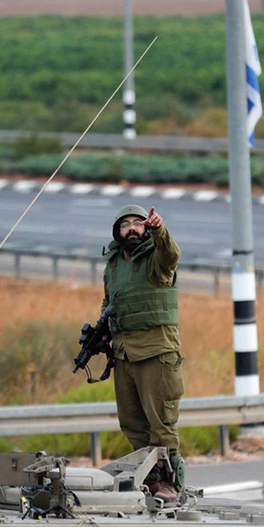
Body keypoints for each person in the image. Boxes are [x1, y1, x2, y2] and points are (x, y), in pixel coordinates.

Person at [100, 204, 185, 500]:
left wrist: (160, 230)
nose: (132, 228)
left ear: (146, 228)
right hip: (124, 354)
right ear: (118, 231)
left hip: (156, 351)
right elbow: (109, 302)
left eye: (138, 223)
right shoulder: (113, 265)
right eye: (126, 225)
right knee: (132, 423)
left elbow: (171, 255)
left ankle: (168, 482)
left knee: (161, 422)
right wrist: (102, 330)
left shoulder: (156, 259)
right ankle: (148, 479)